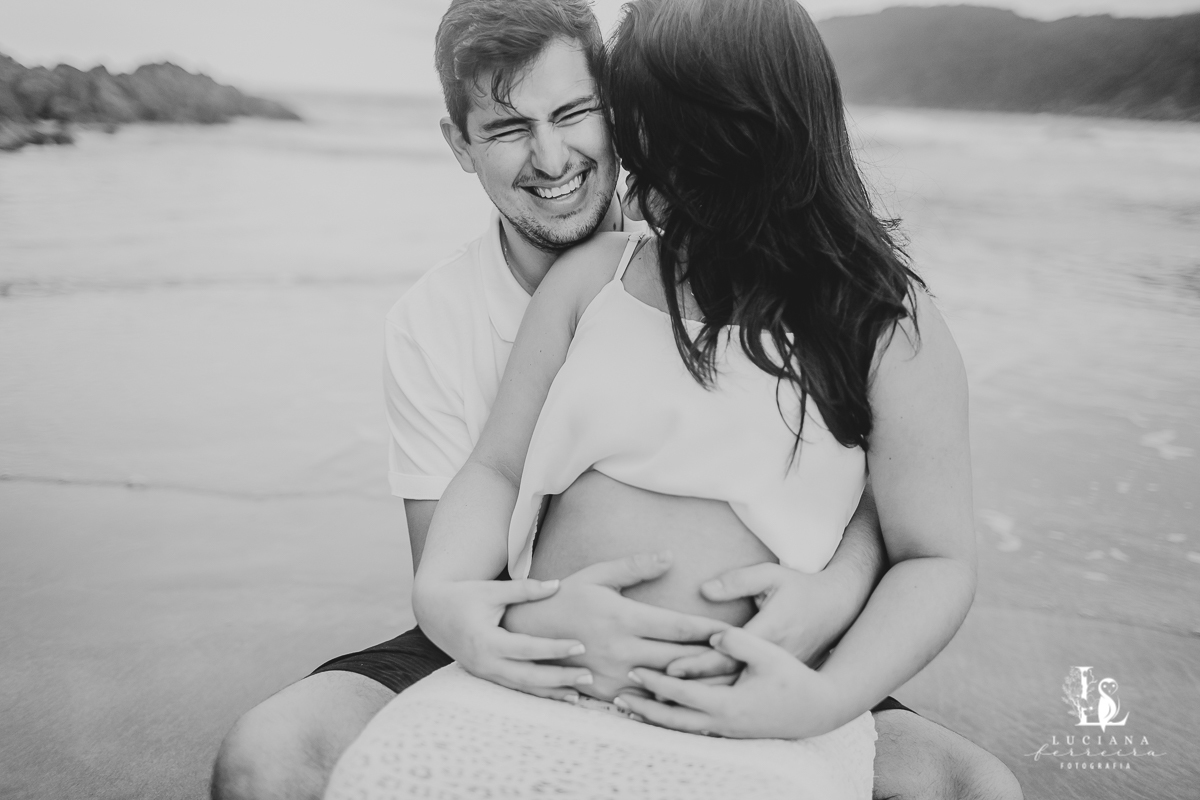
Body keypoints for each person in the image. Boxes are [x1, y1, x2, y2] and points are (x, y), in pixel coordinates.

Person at [211, 1, 1021, 799]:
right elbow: (494, 471)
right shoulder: (575, 283)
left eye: (586, 117)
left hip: (756, 686)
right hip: (544, 660)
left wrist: (828, 680)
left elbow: (927, 544)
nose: (569, 158)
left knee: (979, 788)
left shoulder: (881, 323)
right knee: (270, 759)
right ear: (461, 144)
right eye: (508, 128)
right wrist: (460, 602)